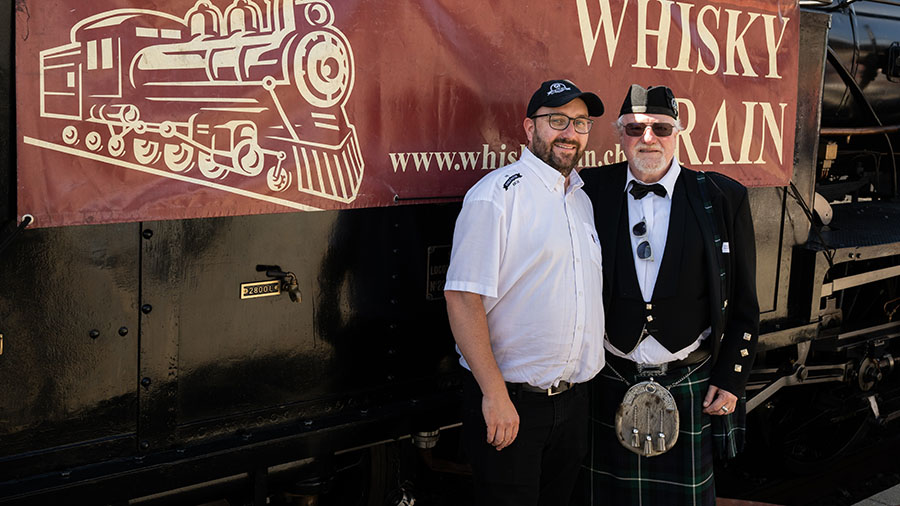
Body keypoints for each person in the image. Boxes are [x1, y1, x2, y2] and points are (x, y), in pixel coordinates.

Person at [577, 84, 759, 505]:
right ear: (619, 134)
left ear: (678, 132)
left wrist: (732, 378)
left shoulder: (722, 196)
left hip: (689, 377)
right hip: (610, 377)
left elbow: (744, 301)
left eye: (660, 127)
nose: (648, 138)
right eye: (634, 128)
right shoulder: (587, 190)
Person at [444, 79, 606, 506]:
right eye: (557, 121)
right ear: (529, 127)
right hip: (512, 405)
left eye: (580, 123)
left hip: (573, 404)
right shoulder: (496, 196)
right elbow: (462, 298)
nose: (570, 133)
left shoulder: (581, 200)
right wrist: (495, 395)